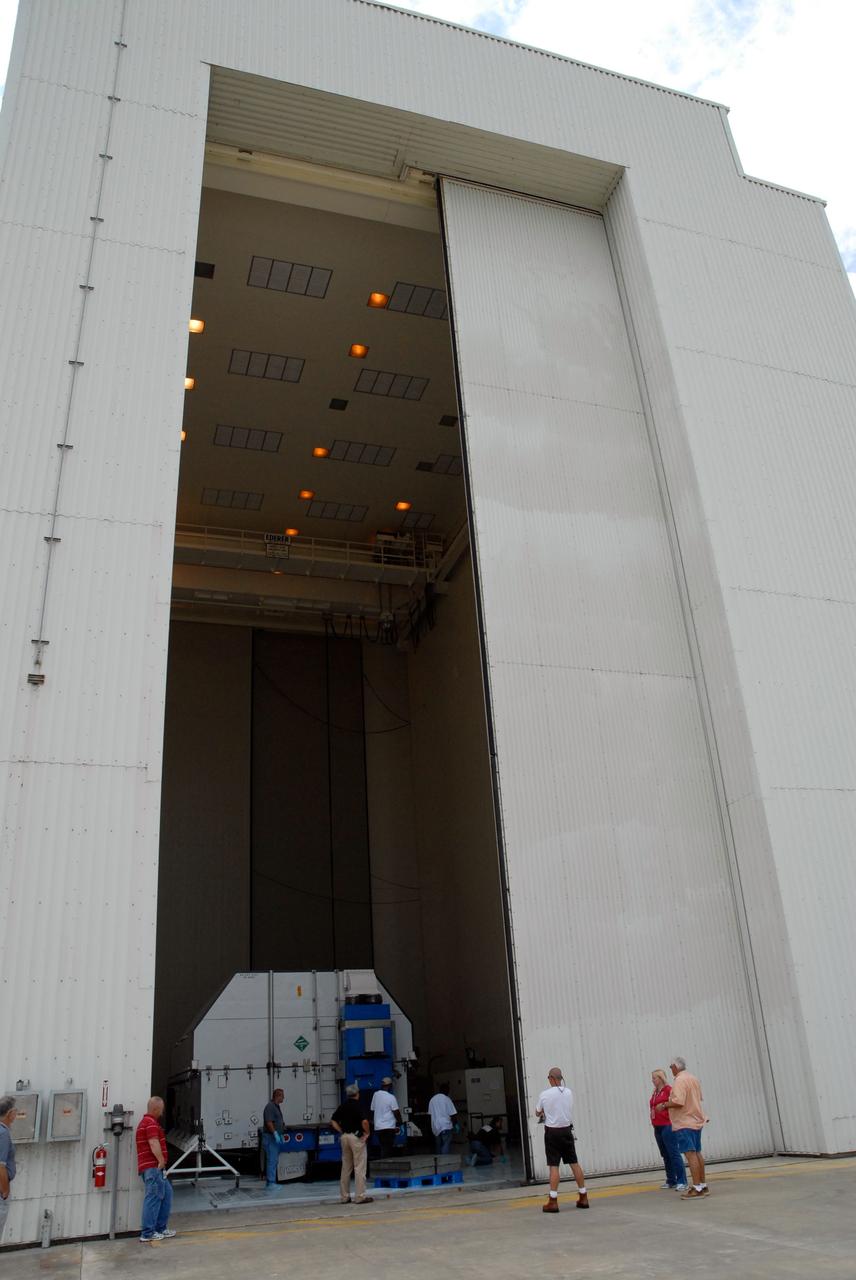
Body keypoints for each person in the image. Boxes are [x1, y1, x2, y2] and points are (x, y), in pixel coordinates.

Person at [535, 1067, 589, 1213]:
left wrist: (544, 1111)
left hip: (552, 1133)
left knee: (554, 1165)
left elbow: (537, 1112)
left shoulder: (545, 1094)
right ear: (561, 1078)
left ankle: (553, 1201)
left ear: (552, 1078)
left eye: (548, 1078)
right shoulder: (569, 1092)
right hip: (566, 1131)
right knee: (574, 1163)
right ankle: (583, 1196)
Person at [665, 1057, 708, 1198]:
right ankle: (702, 1185)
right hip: (696, 1120)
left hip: (684, 1122)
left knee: (690, 1155)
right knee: (697, 1153)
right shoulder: (693, 1078)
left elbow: (678, 1102)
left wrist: (664, 1105)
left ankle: (696, 1188)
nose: (670, 1069)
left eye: (671, 1066)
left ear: (675, 1067)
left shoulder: (679, 1080)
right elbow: (698, 1098)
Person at [135, 1097, 175, 1243]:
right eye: (162, 1109)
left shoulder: (147, 1123)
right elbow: (153, 1142)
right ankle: (147, 1233)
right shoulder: (150, 1123)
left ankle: (160, 1228)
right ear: (156, 1109)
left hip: (155, 1168)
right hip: (153, 1167)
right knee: (153, 1197)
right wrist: (160, 1161)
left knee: (166, 1194)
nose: (163, 1112)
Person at [330, 1084, 373, 1205]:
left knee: (346, 1167)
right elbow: (364, 1121)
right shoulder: (359, 1105)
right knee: (359, 1167)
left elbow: (333, 1120)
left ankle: (344, 1196)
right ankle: (359, 1196)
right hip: (356, 1138)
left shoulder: (342, 1106)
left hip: (344, 1137)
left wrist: (341, 1131)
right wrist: (367, 1133)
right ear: (357, 1093)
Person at [649, 1069, 686, 1191]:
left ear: (660, 1078)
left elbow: (676, 1102)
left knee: (673, 1153)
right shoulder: (655, 1092)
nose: (652, 1080)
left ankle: (682, 1181)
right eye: (652, 1078)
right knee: (665, 1154)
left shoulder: (668, 1090)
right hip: (657, 1126)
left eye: (654, 1078)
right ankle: (671, 1180)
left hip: (667, 1125)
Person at [0, 1096, 17, 1242]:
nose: (16, 1116)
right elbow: (1, 1166)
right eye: (15, 1112)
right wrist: (5, 1192)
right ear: (9, 1113)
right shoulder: (3, 1133)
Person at [370, 1077, 402, 1156]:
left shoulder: (375, 1095)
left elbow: (372, 1109)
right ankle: (385, 1164)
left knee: (383, 1146)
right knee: (388, 1148)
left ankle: (384, 1162)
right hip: (389, 1127)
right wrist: (400, 1122)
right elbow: (396, 1112)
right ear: (390, 1086)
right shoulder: (391, 1097)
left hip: (378, 1127)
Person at [262, 1088, 286, 1187]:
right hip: (270, 1137)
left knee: (274, 1159)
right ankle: (271, 1182)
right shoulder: (270, 1107)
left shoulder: (276, 1106)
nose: (284, 1098)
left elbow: (277, 1122)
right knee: (272, 1160)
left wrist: (280, 1134)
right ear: (278, 1096)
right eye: (282, 1096)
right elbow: (269, 1122)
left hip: (274, 1137)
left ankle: (271, 1181)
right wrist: (275, 1133)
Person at [427, 1084, 457, 1155]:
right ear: (447, 1090)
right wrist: (456, 1124)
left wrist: (430, 1127)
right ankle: (445, 1159)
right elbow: (453, 1114)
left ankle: (439, 1162)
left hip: (435, 1127)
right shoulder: (447, 1099)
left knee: (438, 1145)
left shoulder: (432, 1099)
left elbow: (429, 1114)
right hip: (445, 1125)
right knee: (446, 1143)